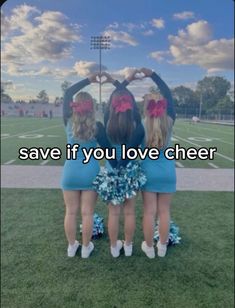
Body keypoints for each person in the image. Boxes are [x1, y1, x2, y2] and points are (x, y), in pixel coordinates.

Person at [61, 72, 116, 258]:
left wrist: (88, 80)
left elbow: (68, 92)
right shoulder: (98, 126)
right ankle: (85, 248)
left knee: (70, 212)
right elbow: (109, 152)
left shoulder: (68, 121)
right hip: (91, 172)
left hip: (70, 172)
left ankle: (71, 246)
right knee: (87, 213)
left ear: (74, 106)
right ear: (91, 108)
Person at [97, 70, 145, 258]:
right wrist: (127, 81)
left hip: (111, 171)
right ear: (130, 105)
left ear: (112, 106)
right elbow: (129, 99)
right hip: (131, 171)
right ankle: (129, 245)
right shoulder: (135, 122)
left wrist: (119, 82)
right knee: (130, 212)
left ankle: (113, 248)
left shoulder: (107, 122)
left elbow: (113, 100)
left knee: (114, 214)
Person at [139, 67, 176, 259]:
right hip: (167, 171)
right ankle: (162, 247)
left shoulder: (142, 124)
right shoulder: (169, 121)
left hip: (148, 172)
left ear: (146, 108)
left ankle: (149, 248)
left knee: (149, 212)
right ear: (164, 106)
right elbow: (168, 93)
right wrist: (153, 74)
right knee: (164, 212)